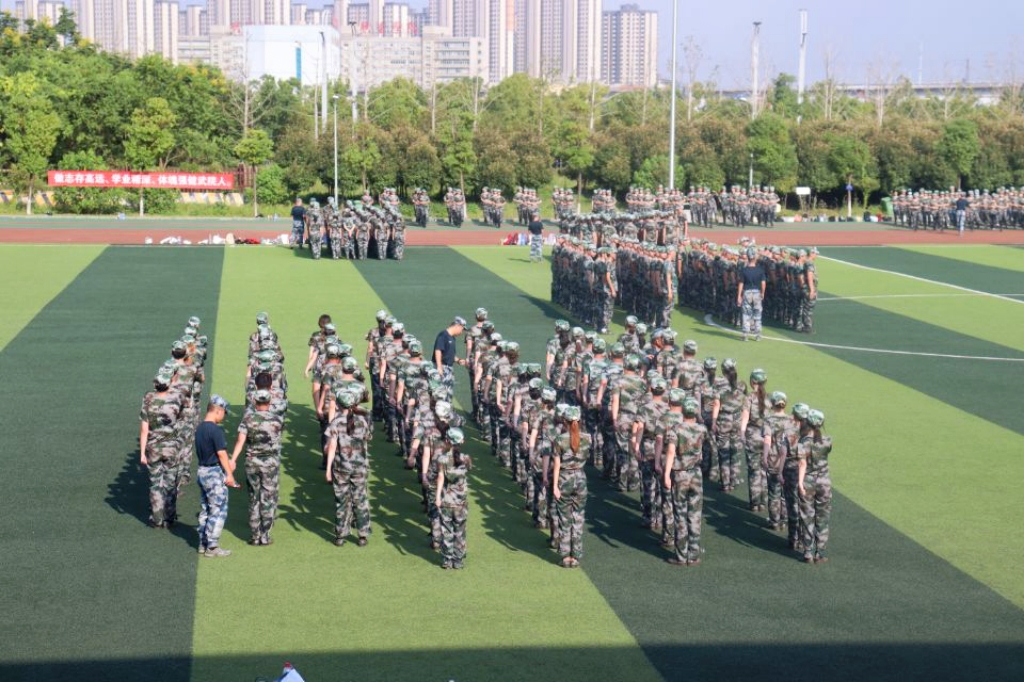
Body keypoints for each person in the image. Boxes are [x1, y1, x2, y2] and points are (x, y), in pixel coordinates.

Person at [230, 389, 285, 546]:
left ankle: (255, 536)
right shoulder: (277, 420)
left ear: (255, 402)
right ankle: (264, 535)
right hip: (270, 464)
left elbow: (240, 441)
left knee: (254, 497)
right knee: (267, 498)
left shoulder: (247, 419)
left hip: (252, 463)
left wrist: (233, 460)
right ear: (269, 402)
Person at [660, 393, 707, 566]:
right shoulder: (702, 429)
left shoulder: (676, 429)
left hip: (680, 474)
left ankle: (681, 555)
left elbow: (671, 452)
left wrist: (666, 474)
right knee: (695, 515)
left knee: (680, 514)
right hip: (696, 474)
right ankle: (693, 554)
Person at [140, 367, 186, 529]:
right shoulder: (177, 398)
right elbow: (181, 419)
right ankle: (169, 518)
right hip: (172, 447)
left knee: (155, 484)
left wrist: (142, 453)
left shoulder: (148, 399)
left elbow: (144, 429)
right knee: (170, 483)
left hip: (153, 448)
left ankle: (157, 518)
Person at [325, 390, 372, 547]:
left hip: (341, 468)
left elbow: (332, 447)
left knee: (342, 501)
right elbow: (367, 441)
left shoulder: (336, 422)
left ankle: (341, 535)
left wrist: (328, 469)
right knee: (360, 499)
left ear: (338, 405)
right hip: (360, 467)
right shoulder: (362, 421)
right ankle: (362, 535)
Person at [195, 395, 235, 557]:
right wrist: (229, 474)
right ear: (218, 411)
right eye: (224, 412)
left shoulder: (200, 428)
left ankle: (202, 543)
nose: (224, 416)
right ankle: (212, 546)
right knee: (218, 508)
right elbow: (222, 454)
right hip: (213, 474)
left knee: (206, 508)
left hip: (202, 471)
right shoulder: (216, 430)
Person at [552, 405, 590, 568]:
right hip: (580, 478)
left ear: (564, 421)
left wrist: (555, 486)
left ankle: (565, 556)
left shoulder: (559, 440)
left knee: (564, 519)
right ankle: (576, 556)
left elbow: (557, 464)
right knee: (578, 518)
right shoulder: (587, 438)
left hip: (564, 479)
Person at [798, 409, 832, 563]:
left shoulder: (803, 442)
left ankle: (808, 552)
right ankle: (820, 552)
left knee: (807, 516)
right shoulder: (827, 441)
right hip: (824, 482)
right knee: (823, 517)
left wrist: (800, 482)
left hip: (808, 481)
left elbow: (802, 464)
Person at [435, 427, 470, 569]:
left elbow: (440, 478)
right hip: (461, 502)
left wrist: (437, 497)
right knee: (460, 531)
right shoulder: (466, 458)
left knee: (446, 531)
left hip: (447, 500)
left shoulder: (442, 459)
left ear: (448, 441)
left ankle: (447, 560)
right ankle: (458, 560)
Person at [737, 248, 766, 341]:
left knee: (746, 314)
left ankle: (745, 334)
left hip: (747, 292)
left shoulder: (744, 270)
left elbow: (741, 283)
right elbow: (763, 283)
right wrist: (762, 293)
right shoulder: (760, 270)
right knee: (757, 314)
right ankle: (758, 335)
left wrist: (739, 296)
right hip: (757, 292)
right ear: (755, 258)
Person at [433, 316, 466, 392]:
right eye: (462, 329)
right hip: (442, 367)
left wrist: (458, 360)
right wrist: (439, 367)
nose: (462, 332)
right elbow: (438, 350)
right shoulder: (443, 335)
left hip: (448, 369)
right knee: (441, 392)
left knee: (448, 392)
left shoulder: (452, 338)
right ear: (458, 326)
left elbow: (449, 354)